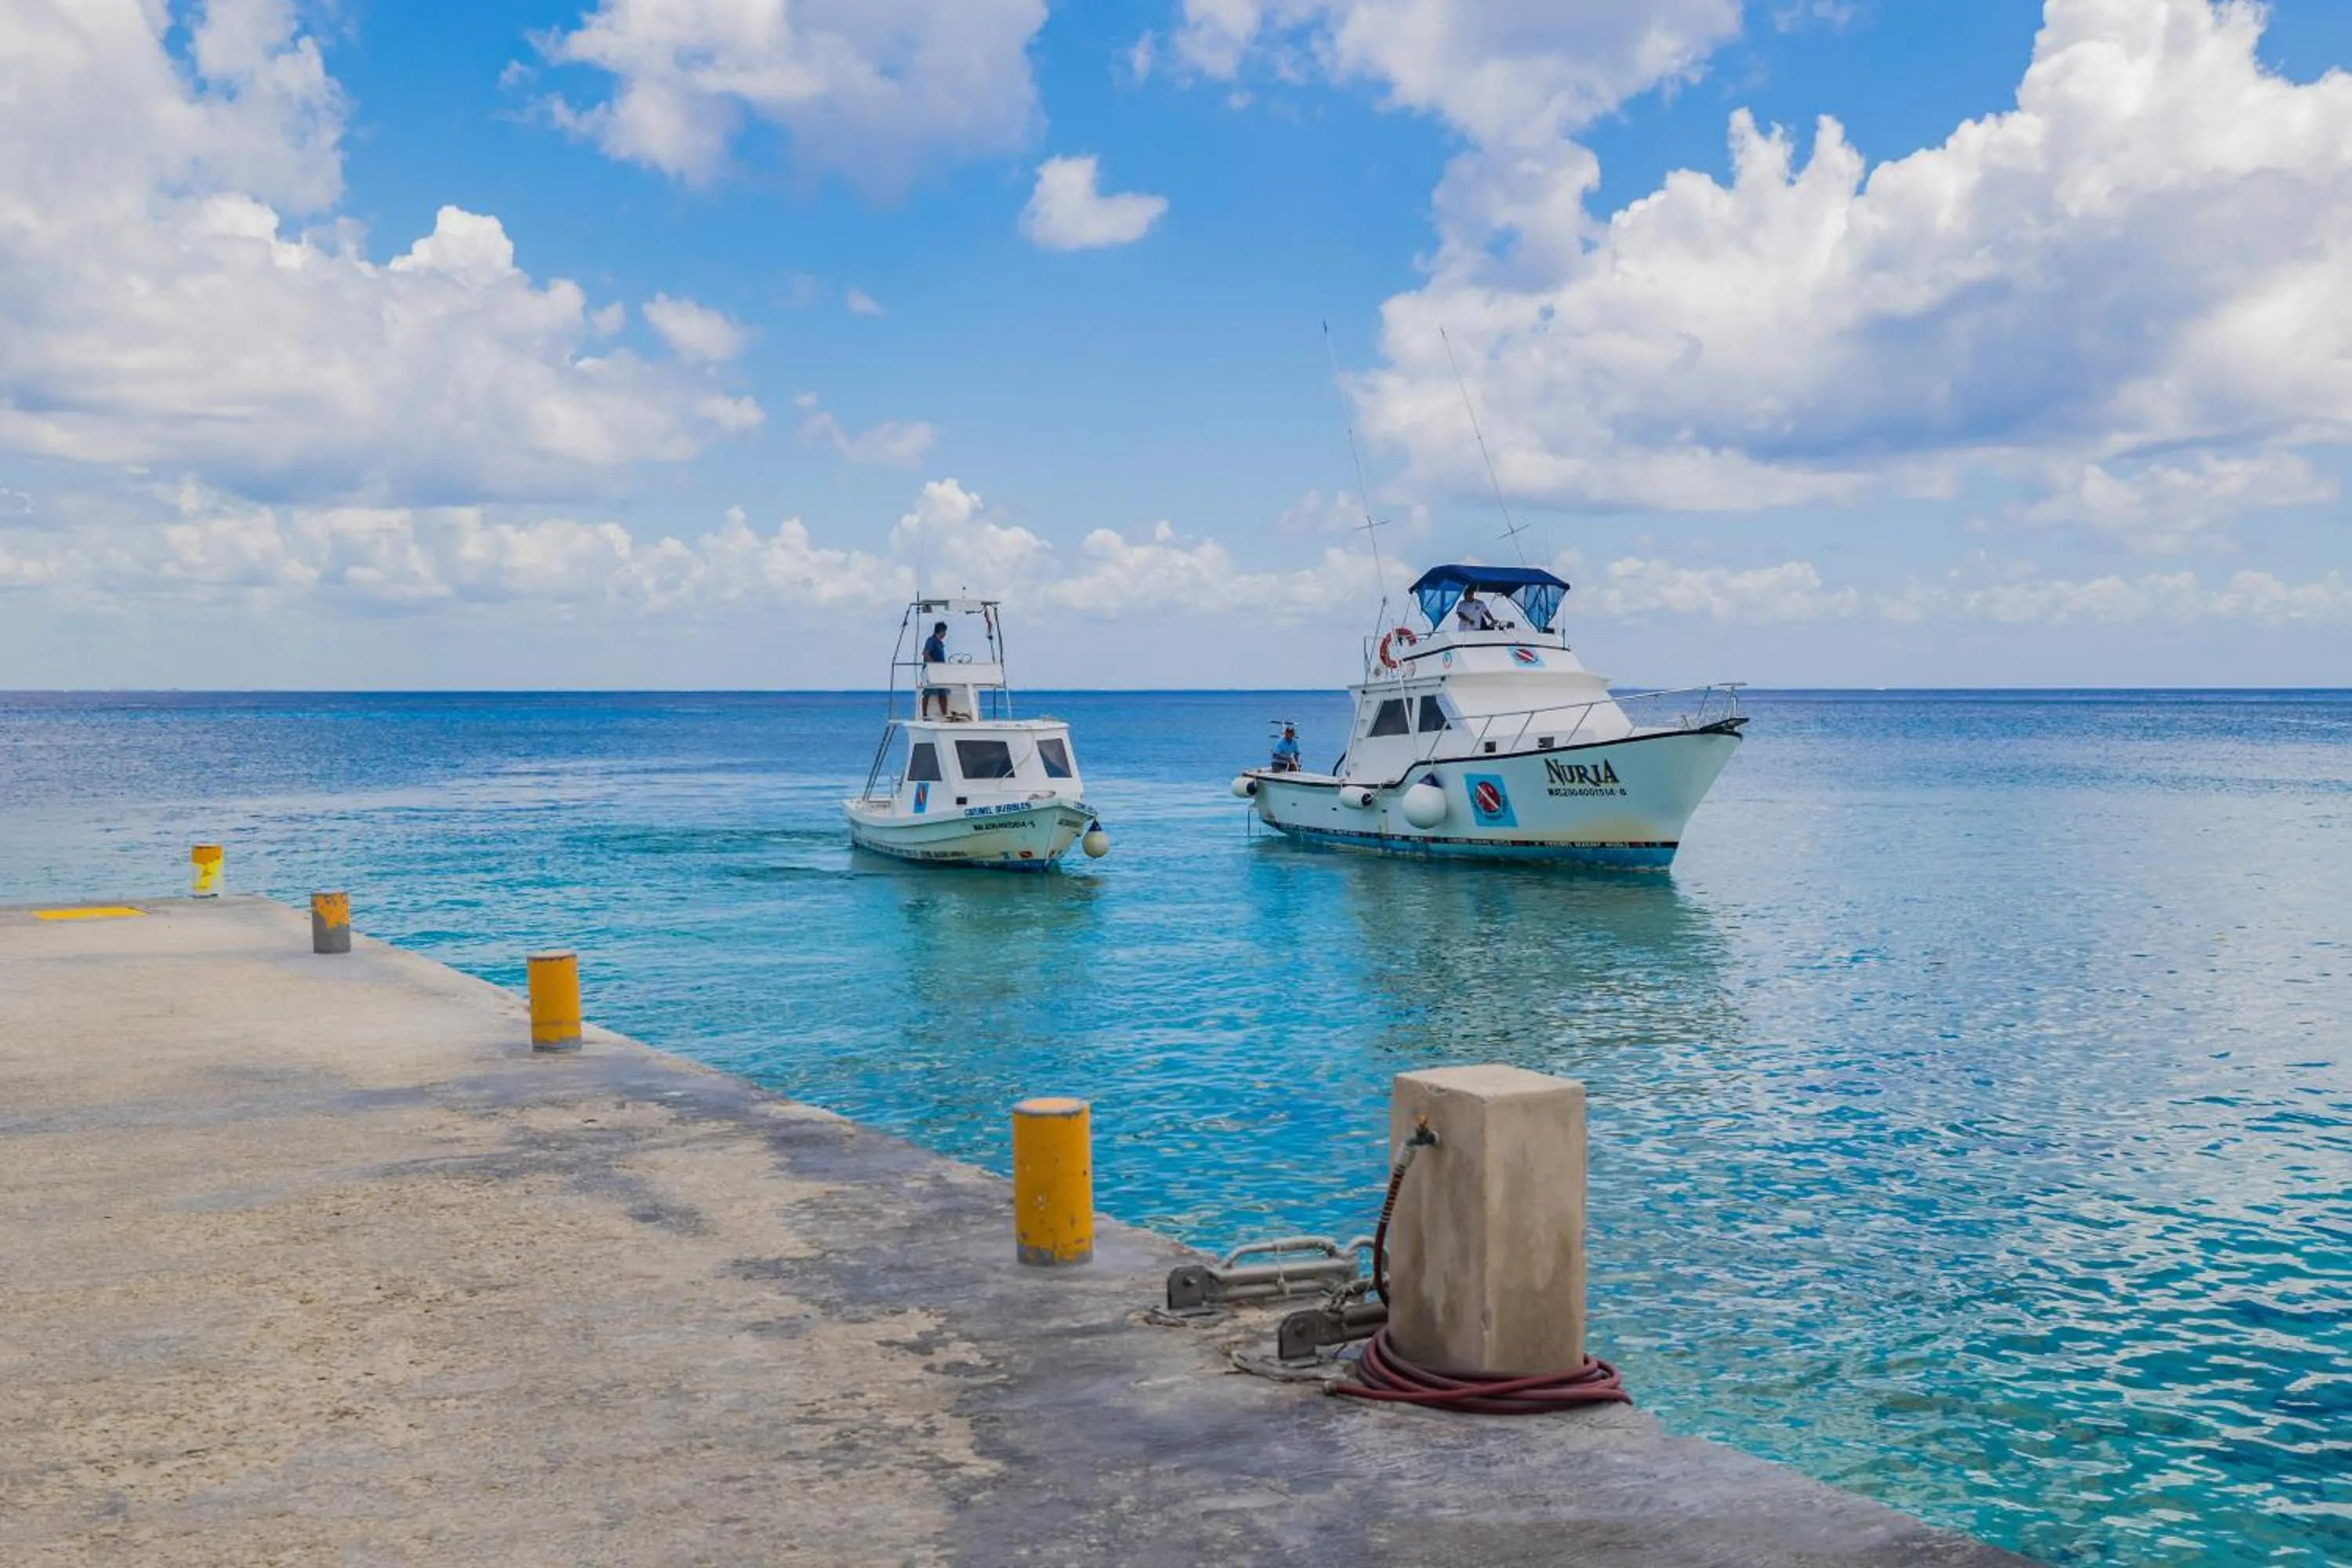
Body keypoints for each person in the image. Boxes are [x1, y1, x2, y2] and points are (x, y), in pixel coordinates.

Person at [920, 621, 949, 718]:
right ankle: (924, 715)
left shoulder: (940, 642)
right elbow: (926, 653)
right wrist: (934, 665)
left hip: (940, 671)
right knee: (927, 693)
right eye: (944, 632)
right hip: (930, 671)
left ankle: (945, 714)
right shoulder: (931, 640)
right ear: (941, 631)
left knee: (942, 692)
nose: (945, 634)